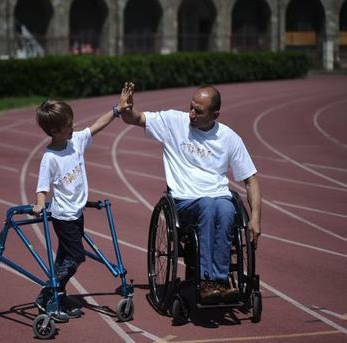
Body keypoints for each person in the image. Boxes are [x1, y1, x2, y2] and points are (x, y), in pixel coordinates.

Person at [119, 82, 262, 304]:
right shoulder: (174, 122)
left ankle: (220, 280)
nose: (191, 114)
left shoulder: (229, 137)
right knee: (208, 204)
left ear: (215, 115)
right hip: (184, 201)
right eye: (191, 107)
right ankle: (207, 281)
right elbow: (136, 119)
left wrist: (255, 219)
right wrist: (126, 109)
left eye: (199, 111)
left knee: (225, 208)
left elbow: (250, 179)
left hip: (217, 198)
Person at [31, 90, 132, 322]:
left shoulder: (75, 141)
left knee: (65, 257)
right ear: (54, 131)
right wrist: (39, 204)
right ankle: (49, 294)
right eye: (68, 125)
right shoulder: (50, 158)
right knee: (76, 257)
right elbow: (42, 187)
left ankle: (56, 294)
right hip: (63, 216)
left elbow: (97, 126)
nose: (73, 126)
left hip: (76, 213)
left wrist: (117, 110)